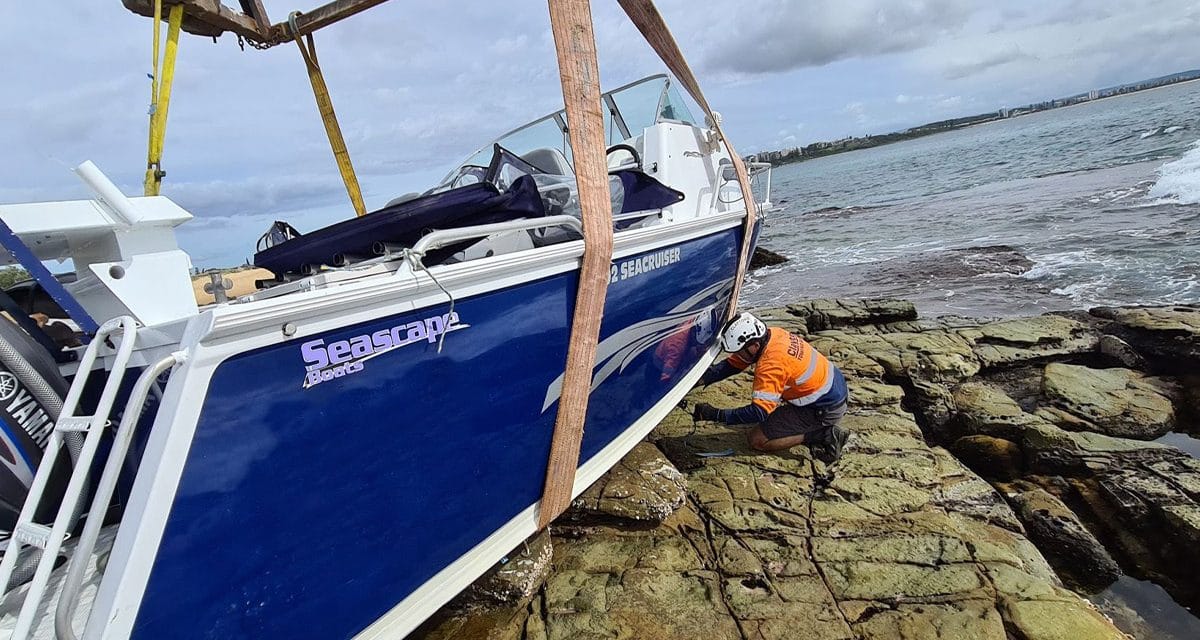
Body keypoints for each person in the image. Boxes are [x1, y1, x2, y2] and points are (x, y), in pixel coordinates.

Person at [693, 311, 850, 462]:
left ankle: (824, 434)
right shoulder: (773, 334)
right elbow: (734, 364)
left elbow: (759, 412)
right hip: (833, 387)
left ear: (754, 345)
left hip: (824, 408)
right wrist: (700, 380)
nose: (738, 355)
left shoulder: (770, 365)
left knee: (757, 440)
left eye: (740, 351)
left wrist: (716, 415)